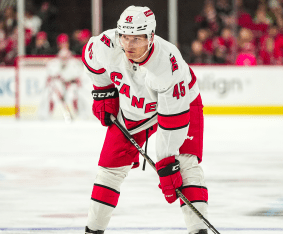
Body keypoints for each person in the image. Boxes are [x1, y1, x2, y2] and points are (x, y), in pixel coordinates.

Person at [82, 5, 208, 234]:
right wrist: (104, 90)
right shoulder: (106, 44)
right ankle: (93, 230)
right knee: (109, 167)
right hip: (134, 111)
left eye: (136, 39)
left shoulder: (168, 66)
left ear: (151, 37)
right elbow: (91, 59)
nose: (129, 45)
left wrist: (166, 161)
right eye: (125, 37)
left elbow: (173, 123)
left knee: (185, 164)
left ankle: (198, 230)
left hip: (181, 105)